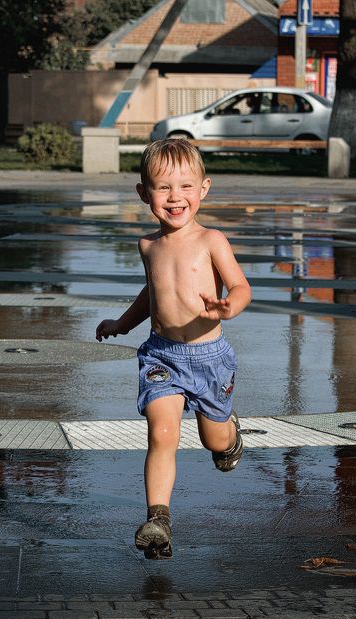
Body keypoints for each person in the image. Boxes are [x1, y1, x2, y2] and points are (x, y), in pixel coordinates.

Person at [95, 138, 252, 560]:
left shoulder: (211, 240)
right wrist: (122, 324)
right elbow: (152, 294)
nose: (175, 197)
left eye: (185, 186)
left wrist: (230, 305)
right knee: (161, 434)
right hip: (161, 356)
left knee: (213, 441)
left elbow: (239, 285)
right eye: (163, 188)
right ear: (143, 193)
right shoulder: (149, 246)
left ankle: (230, 437)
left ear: (203, 189)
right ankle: (158, 519)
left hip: (209, 358)